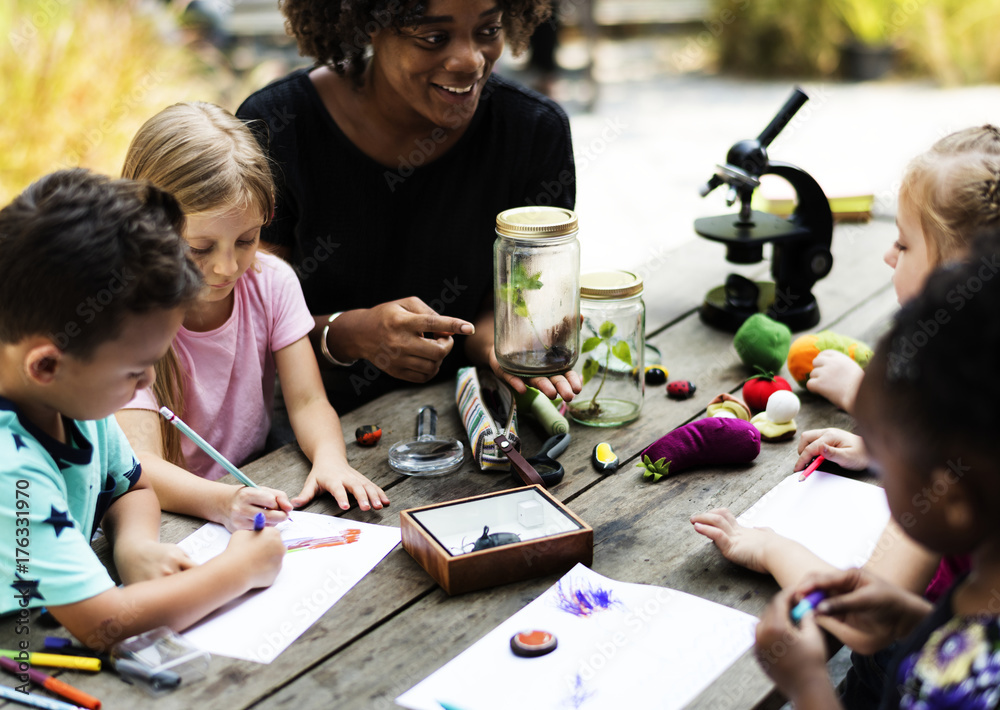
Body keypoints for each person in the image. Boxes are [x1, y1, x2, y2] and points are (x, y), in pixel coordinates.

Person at [692, 124, 1000, 708]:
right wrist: (912, 613)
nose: (888, 252)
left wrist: (769, 550)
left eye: (904, 244)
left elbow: (863, 629)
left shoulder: (959, 685)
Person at [235, 0, 582, 414]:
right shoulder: (278, 123)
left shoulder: (534, 132)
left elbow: (508, 303)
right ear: (369, 25)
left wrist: (505, 346)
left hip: (469, 408)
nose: (471, 61)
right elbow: (247, 322)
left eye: (489, 31)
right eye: (434, 37)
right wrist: (350, 333)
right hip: (312, 417)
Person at [0, 169, 286, 647]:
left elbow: (130, 484)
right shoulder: (11, 468)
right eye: (135, 372)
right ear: (47, 364)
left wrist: (134, 547)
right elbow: (101, 624)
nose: (149, 383)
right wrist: (237, 571)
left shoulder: (71, 397)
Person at [754, 227, 1000, 709]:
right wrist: (909, 619)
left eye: (887, 463)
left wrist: (807, 685)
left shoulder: (960, 688)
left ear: (948, 496)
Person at [116, 102, 389, 533]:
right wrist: (225, 501)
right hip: (162, 515)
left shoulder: (271, 281)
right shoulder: (125, 315)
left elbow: (308, 401)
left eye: (246, 239)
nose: (227, 267)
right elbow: (142, 465)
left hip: (251, 486)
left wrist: (330, 459)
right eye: (199, 249)